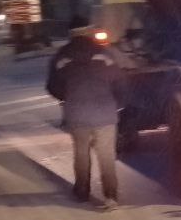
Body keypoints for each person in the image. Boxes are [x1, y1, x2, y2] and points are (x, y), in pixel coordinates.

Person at [47, 19, 125, 208]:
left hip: (77, 112)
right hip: (105, 112)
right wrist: (117, 103)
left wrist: (67, 97)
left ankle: (82, 192)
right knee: (106, 154)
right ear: (89, 31)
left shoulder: (61, 56)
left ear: (71, 34)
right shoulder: (104, 54)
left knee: (81, 154)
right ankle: (111, 196)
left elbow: (52, 86)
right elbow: (120, 81)